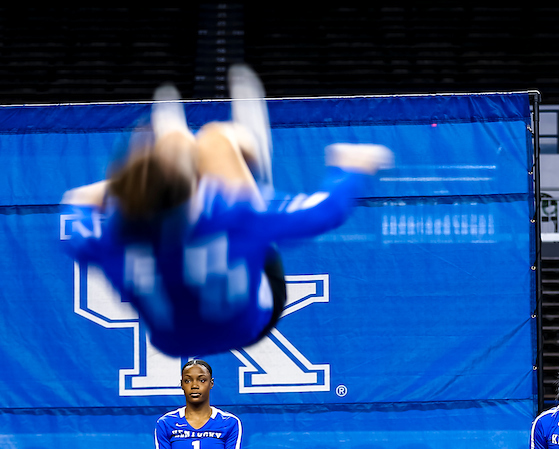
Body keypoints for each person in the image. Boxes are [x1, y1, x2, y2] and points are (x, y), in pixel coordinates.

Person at [61, 64, 393, 357]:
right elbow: (327, 211)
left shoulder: (112, 236)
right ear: (195, 187)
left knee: (190, 148)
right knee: (218, 138)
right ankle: (246, 161)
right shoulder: (235, 215)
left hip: (172, 341)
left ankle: (179, 145)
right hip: (249, 323)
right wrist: (351, 167)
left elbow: (75, 212)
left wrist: (114, 190)